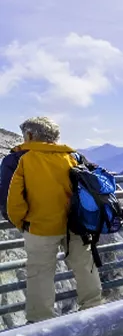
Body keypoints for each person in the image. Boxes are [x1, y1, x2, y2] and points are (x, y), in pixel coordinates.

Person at [4, 116, 104, 323]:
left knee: (40, 274)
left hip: (39, 227)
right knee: (85, 266)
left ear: (30, 135)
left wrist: (21, 222)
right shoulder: (73, 156)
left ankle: (41, 322)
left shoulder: (18, 159)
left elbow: (9, 198)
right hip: (76, 225)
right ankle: (93, 309)